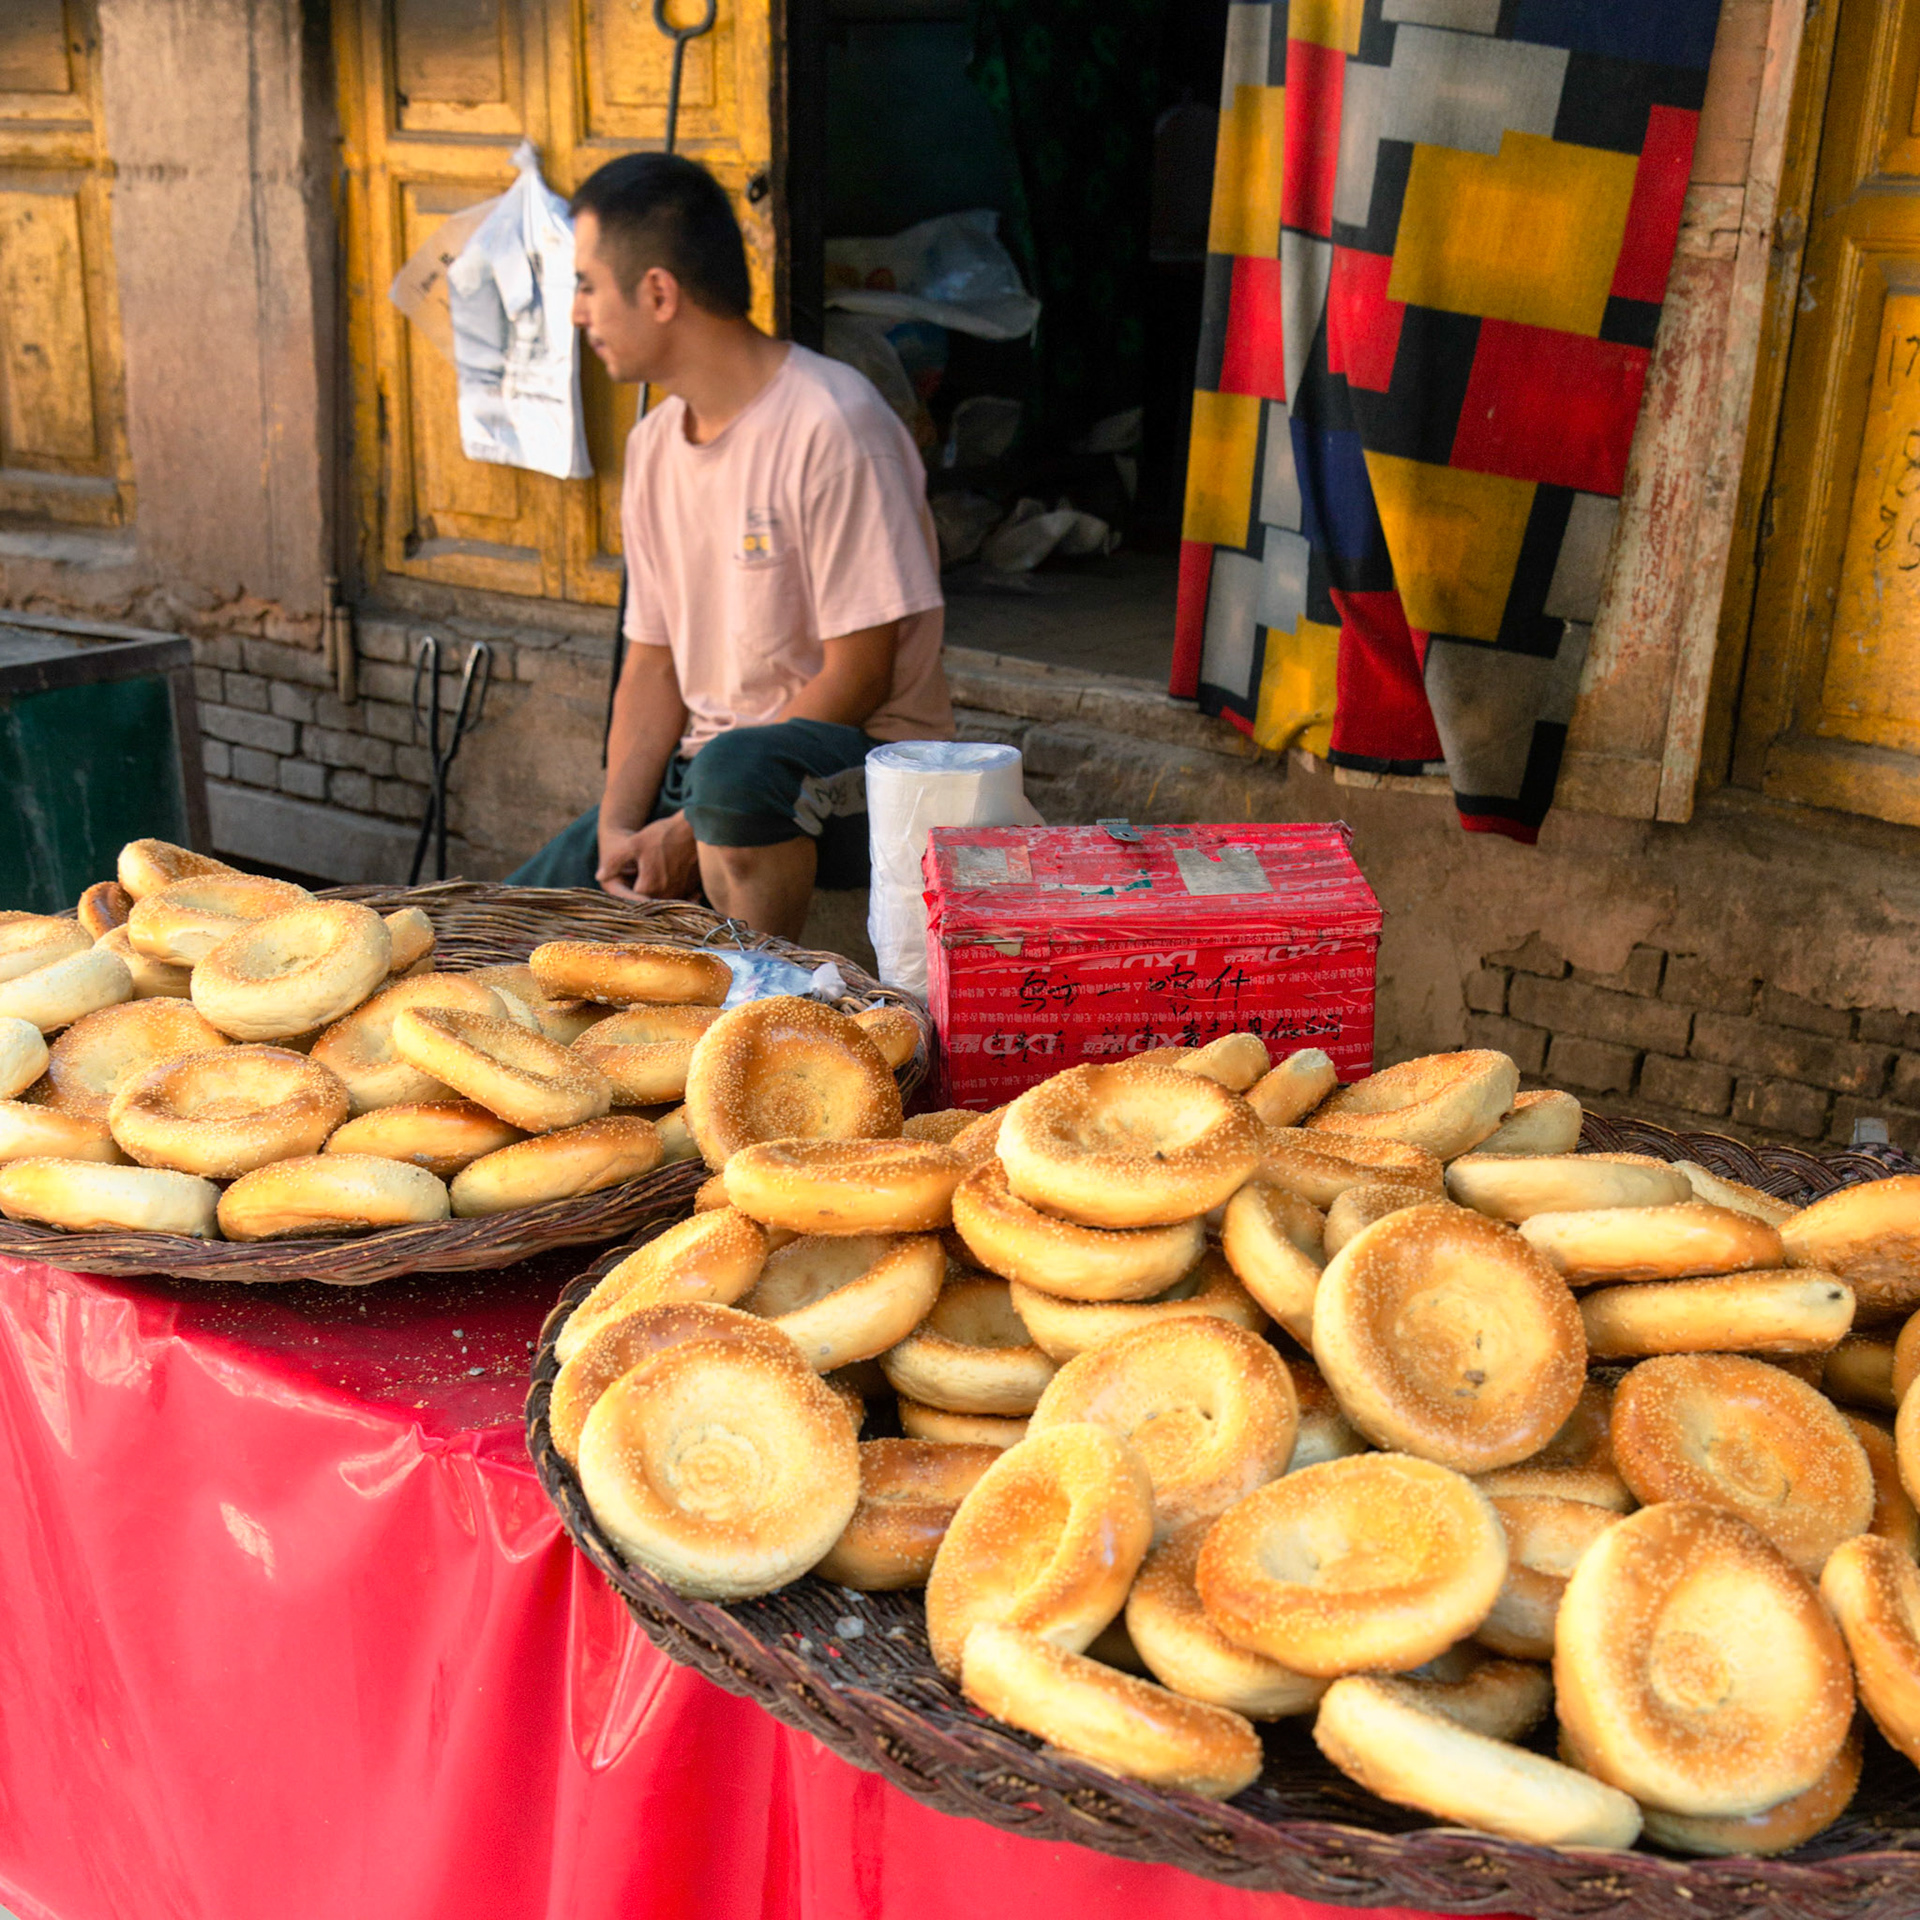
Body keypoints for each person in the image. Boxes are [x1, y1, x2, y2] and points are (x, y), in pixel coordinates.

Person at [506, 152, 953, 939]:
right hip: (706, 781)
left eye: (586, 284)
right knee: (496, 929)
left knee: (732, 773)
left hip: (860, 772)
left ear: (657, 292)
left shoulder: (832, 423)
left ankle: (762, 1000)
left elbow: (861, 672)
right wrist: (618, 830)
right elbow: (652, 664)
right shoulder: (651, 449)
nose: (578, 312)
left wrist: (688, 830)